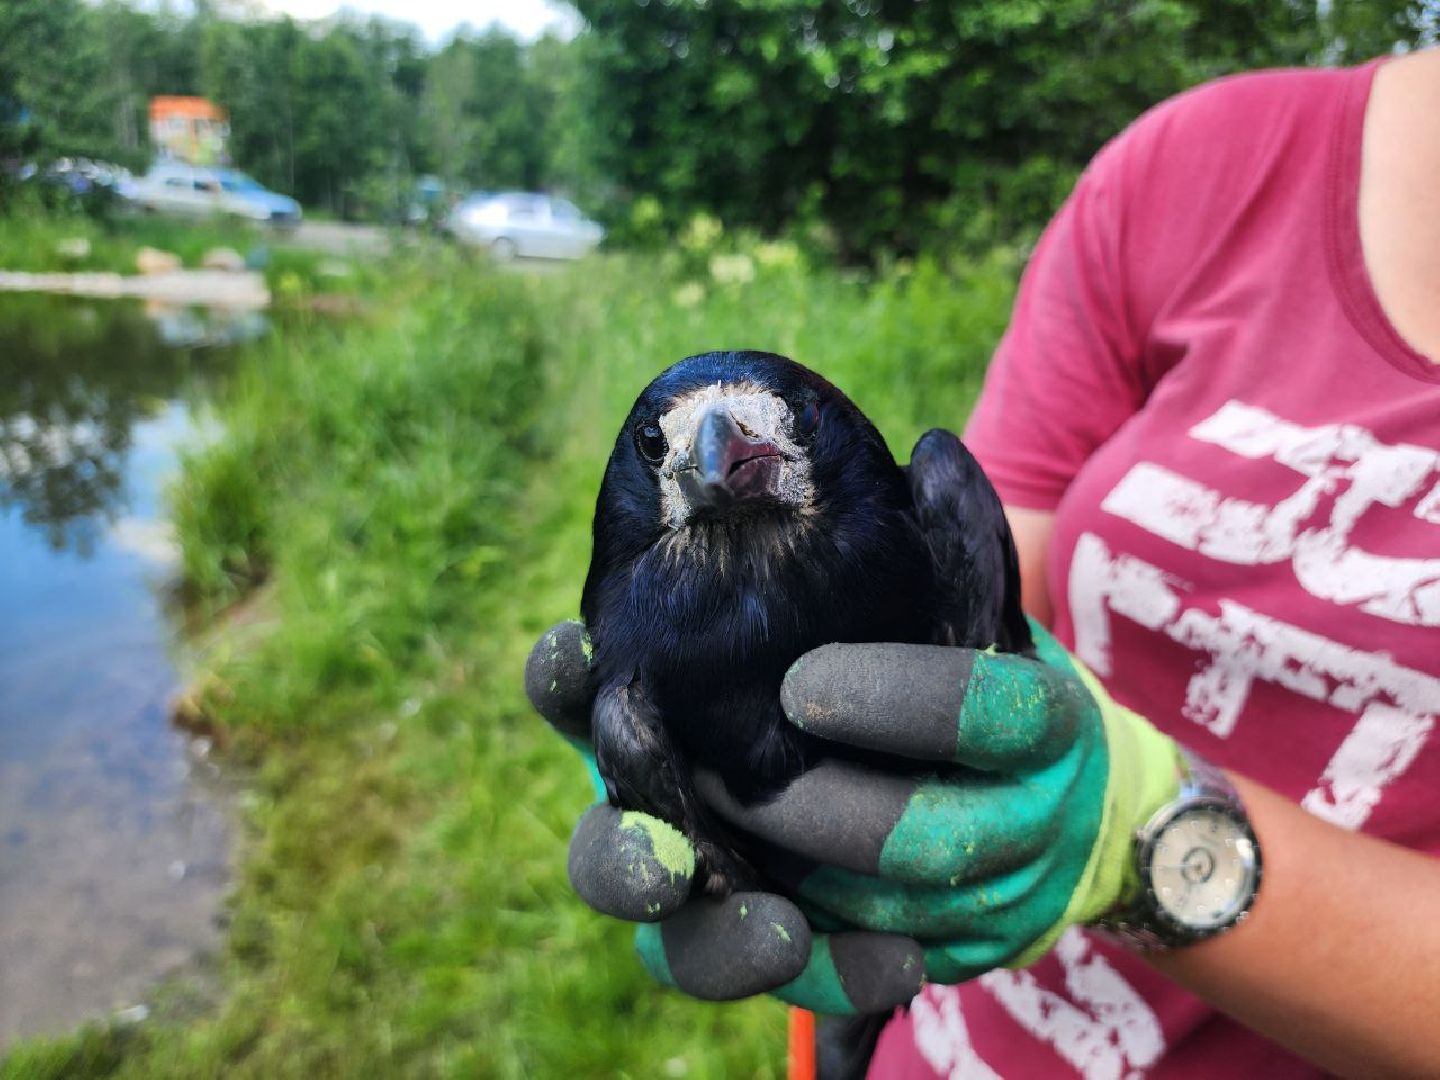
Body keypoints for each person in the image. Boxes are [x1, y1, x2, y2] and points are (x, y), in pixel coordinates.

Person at [525, 48, 1440, 1078]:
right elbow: (989, 587)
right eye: (676, 451)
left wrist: (1141, 831)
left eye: (780, 429)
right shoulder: (1201, 165)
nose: (724, 452)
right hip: (927, 1029)